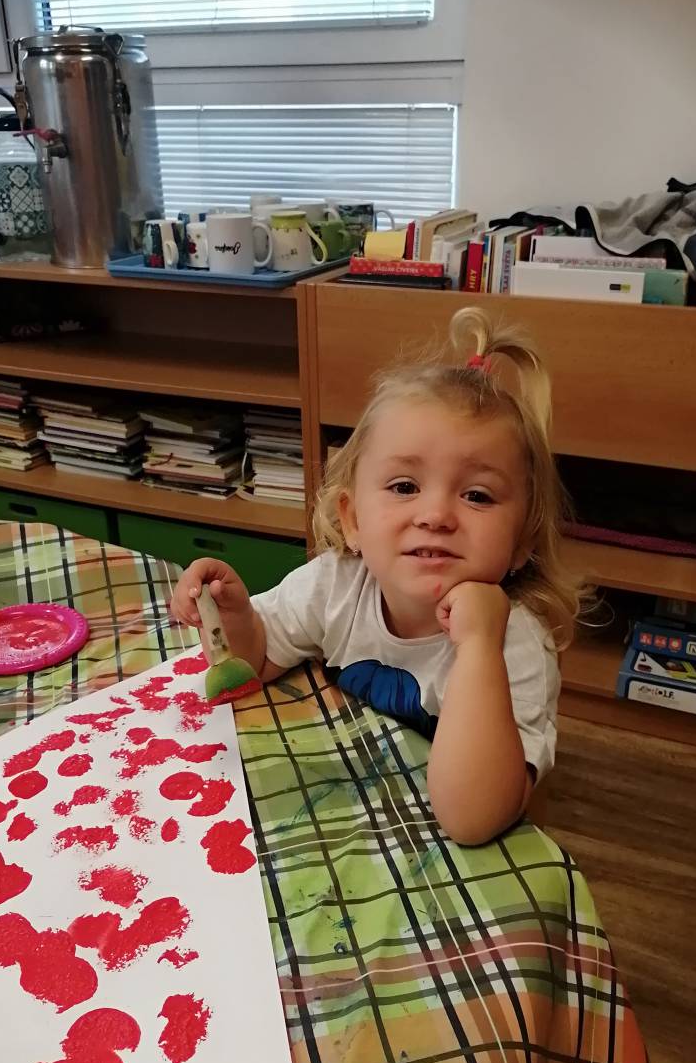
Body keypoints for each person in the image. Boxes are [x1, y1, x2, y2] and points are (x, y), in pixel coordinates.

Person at [171, 306, 582, 845]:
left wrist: (479, 645)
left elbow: (472, 819)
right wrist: (233, 616)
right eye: (404, 487)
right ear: (353, 519)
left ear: (523, 540)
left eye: (477, 495)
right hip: (345, 807)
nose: (435, 515)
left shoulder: (514, 644)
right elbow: (257, 660)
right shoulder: (335, 585)